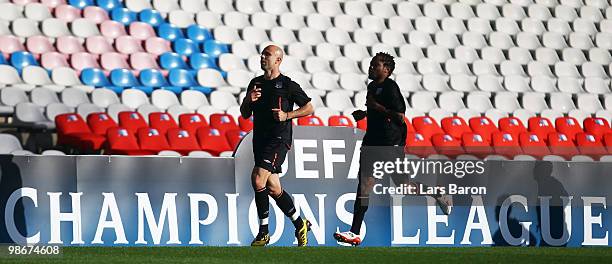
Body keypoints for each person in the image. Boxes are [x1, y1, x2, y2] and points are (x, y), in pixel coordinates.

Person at [333, 53, 452, 246]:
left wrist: (376, 107)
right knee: (364, 186)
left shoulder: (390, 87)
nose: (371, 67)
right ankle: (354, 232)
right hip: (372, 141)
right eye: (371, 64)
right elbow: (378, 110)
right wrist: (365, 113)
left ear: (386, 70)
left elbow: (399, 116)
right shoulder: (372, 87)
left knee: (404, 186)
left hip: (390, 143)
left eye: (375, 65)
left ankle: (437, 192)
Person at [240, 45, 314, 247]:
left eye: (268, 55)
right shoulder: (255, 83)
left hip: (279, 139)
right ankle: (300, 224)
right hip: (260, 140)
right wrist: (248, 100)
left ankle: (263, 232)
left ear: (278, 60)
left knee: (257, 179)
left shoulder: (287, 85)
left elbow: (309, 107)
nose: (263, 57)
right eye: (262, 54)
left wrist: (287, 115)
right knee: (273, 188)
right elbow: (245, 113)